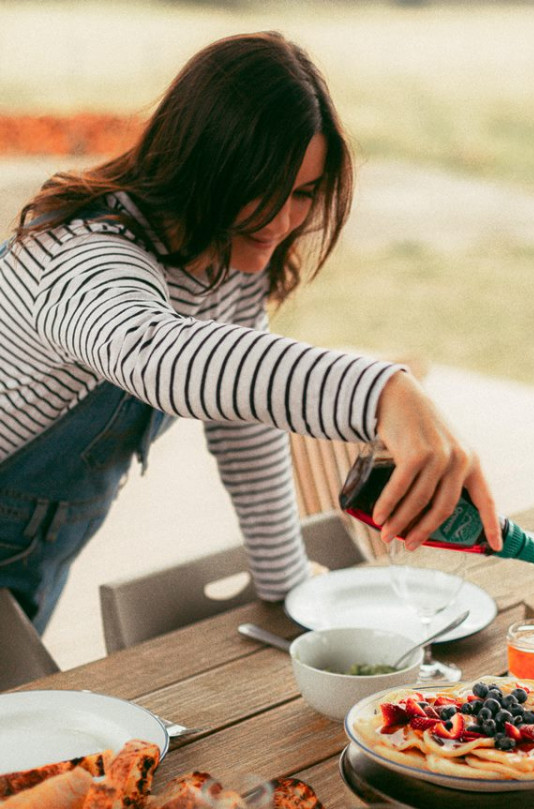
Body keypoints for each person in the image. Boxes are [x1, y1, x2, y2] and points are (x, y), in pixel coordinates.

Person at [0, 31, 500, 634]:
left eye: (304, 194)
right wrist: (383, 393)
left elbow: (247, 432)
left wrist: (291, 596)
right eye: (260, 190)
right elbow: (161, 357)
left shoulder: (224, 267)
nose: (283, 221)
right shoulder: (81, 257)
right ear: (199, 164)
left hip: (31, 554)